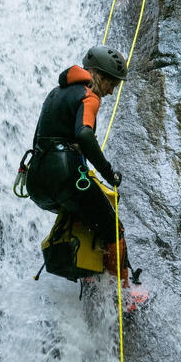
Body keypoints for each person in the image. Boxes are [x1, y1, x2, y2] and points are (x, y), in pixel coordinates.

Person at [26, 45, 132, 283]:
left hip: (37, 182)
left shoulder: (54, 93)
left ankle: (90, 277)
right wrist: (108, 173)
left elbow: (38, 139)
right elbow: (84, 134)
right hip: (65, 174)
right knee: (114, 229)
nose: (112, 92)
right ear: (98, 75)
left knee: (87, 218)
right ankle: (123, 292)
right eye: (112, 84)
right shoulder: (89, 96)